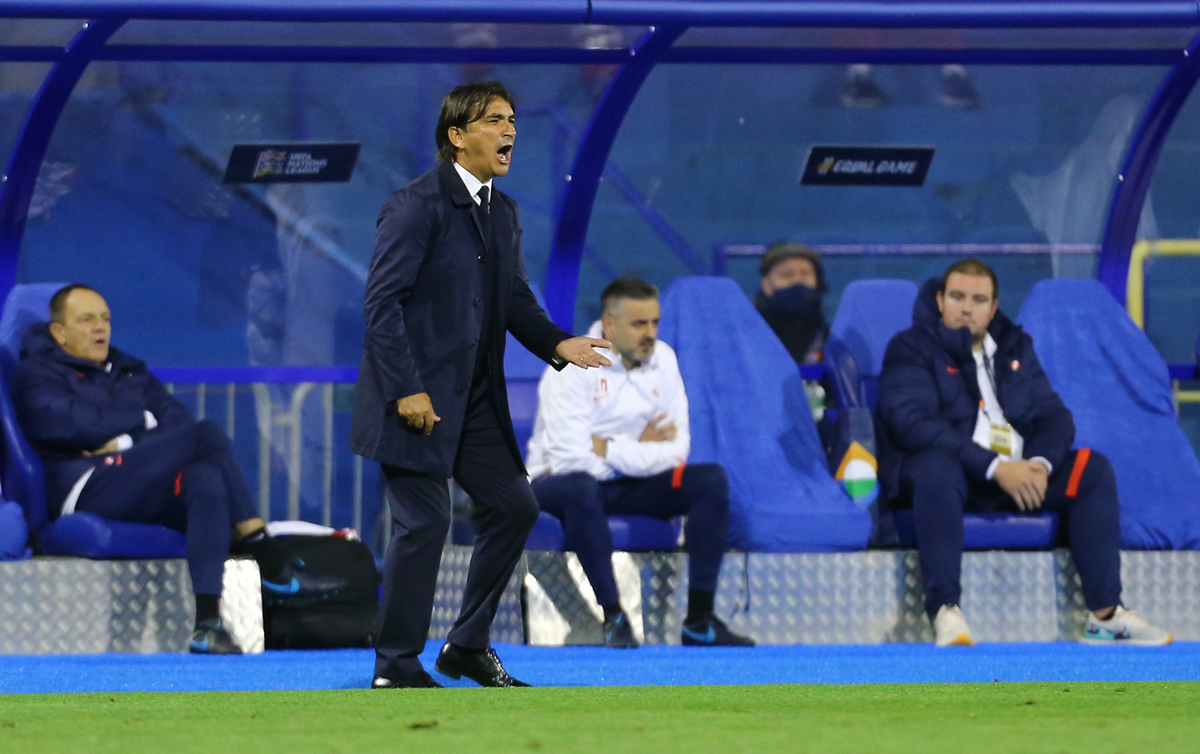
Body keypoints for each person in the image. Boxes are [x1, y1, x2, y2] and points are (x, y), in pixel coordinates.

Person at [350, 81, 611, 689]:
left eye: (512, 119)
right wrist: (407, 388)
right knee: (424, 524)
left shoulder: (504, 211)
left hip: (474, 400)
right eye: (493, 119)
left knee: (516, 506)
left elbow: (512, 298)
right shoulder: (415, 206)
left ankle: (466, 645)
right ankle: (395, 665)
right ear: (457, 136)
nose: (509, 129)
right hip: (414, 398)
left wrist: (556, 343)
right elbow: (382, 305)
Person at [13, 284, 345, 655]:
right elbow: (62, 423)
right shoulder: (37, 373)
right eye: (86, 320)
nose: (100, 327)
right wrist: (145, 419)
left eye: (105, 319)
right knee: (207, 434)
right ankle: (267, 557)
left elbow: (177, 422)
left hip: (131, 478)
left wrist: (124, 439)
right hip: (82, 485)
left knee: (203, 477)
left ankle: (207, 624)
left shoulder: (129, 371)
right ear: (59, 332)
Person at [875, 259, 1172, 647]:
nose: (967, 308)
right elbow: (912, 423)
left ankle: (1105, 615)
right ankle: (946, 610)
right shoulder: (911, 348)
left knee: (1091, 469)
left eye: (979, 300)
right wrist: (995, 467)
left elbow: (1055, 415)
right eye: (958, 297)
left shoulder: (1016, 348)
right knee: (935, 467)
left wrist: (1038, 465)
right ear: (940, 301)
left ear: (993, 307)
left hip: (1019, 479)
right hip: (955, 479)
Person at [527, 277, 755, 649]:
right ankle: (614, 617)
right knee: (582, 487)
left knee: (710, 479)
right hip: (557, 483)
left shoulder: (663, 358)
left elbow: (677, 450)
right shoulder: (571, 365)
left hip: (624, 485)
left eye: (654, 322)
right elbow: (571, 459)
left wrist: (606, 446)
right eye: (638, 324)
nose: (650, 333)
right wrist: (639, 446)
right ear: (609, 325)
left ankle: (699, 622)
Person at [755, 242, 828, 366]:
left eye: (805, 273)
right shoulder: (748, 341)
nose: (798, 281)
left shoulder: (833, 341)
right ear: (766, 285)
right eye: (786, 275)